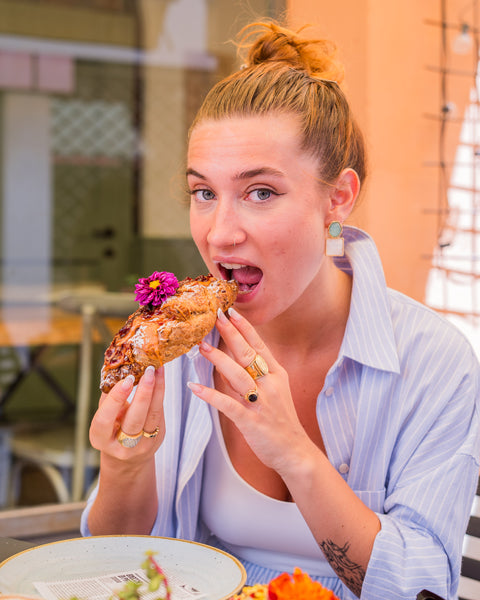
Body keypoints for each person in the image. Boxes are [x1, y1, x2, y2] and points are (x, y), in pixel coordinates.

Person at [80, 19, 480, 600]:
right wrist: (125, 464)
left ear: (337, 198)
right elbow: (112, 569)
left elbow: (425, 588)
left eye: (260, 192)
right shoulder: (184, 351)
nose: (220, 234)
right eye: (203, 192)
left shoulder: (434, 362)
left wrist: (293, 452)